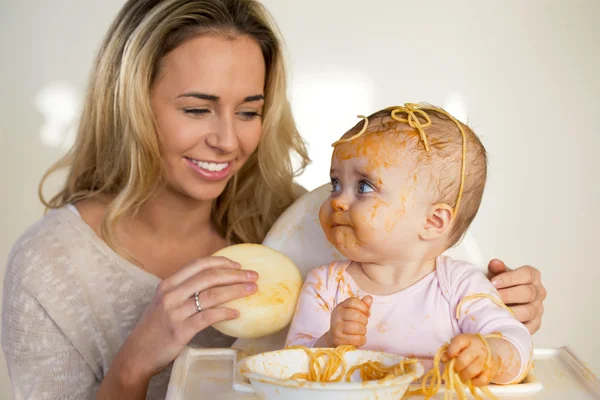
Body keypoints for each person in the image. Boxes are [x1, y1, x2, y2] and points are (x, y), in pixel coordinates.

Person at [1, 1, 545, 399]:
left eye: (248, 111)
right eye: (197, 109)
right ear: (131, 106)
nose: (227, 139)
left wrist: (505, 312)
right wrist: (135, 362)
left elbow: (425, 285)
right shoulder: (49, 268)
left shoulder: (302, 224)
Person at [286, 104, 532, 386]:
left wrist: (489, 357)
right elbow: (289, 367)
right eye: (335, 184)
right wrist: (329, 341)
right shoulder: (326, 286)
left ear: (433, 222)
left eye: (364, 186)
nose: (337, 201)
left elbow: (517, 343)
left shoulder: (459, 287)